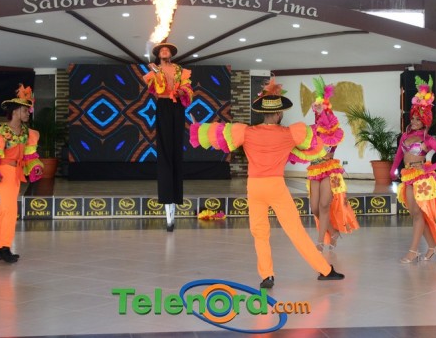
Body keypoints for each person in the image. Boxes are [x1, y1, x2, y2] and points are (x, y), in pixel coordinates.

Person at [190, 77, 344, 288]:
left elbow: (218, 135)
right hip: (276, 186)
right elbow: (322, 136)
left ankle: (267, 275)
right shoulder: (289, 134)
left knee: (260, 233)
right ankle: (325, 270)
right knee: (295, 230)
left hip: (254, 187)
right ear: (279, 114)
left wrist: (197, 127)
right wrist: (321, 112)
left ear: (263, 113)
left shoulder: (246, 132)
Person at [390, 77, 436, 263]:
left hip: (422, 179)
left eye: (418, 119)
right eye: (413, 118)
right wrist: (393, 170)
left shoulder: (428, 139)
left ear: (425, 120)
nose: (414, 121)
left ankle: (413, 251)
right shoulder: (404, 137)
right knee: (416, 214)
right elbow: (399, 155)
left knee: (418, 215)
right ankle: (433, 247)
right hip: (407, 176)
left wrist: (427, 167)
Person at [0, 84, 44, 263]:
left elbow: (29, 155)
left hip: (16, 172)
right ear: (15, 112)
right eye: (25, 110)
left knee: (5, 211)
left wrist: (35, 166)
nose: (28, 113)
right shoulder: (2, 133)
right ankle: (5, 247)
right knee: (10, 209)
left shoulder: (26, 133)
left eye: (28, 110)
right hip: (4, 172)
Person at [292, 76, 358, 250]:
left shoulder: (332, 131)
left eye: (321, 109)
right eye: (316, 109)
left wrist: (324, 108)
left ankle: (320, 242)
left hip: (329, 170)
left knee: (324, 205)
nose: (318, 112)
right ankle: (333, 232)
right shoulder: (311, 131)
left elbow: (328, 125)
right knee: (314, 208)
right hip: (315, 170)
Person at [143, 41, 193, 232]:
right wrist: (155, 72)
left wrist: (182, 91)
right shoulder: (154, 70)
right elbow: (156, 87)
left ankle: (176, 199)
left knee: (176, 150)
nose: (165, 51)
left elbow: (188, 88)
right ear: (158, 55)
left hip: (177, 107)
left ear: (171, 54)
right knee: (164, 150)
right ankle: (166, 200)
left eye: (167, 50)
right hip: (164, 106)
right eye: (162, 50)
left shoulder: (180, 70)